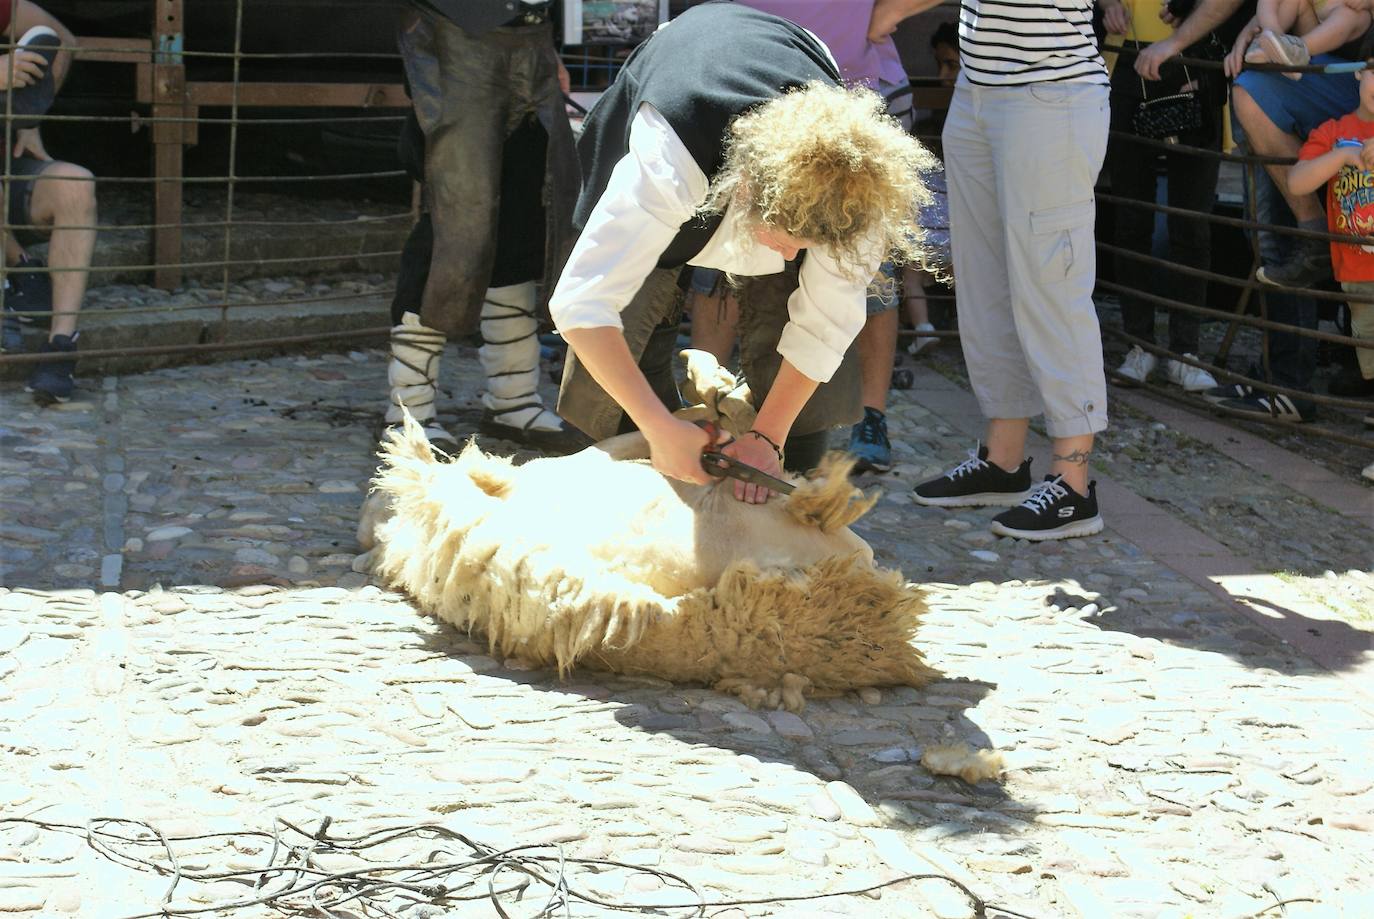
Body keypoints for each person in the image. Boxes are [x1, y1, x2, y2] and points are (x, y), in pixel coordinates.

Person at [549, 2, 937, 504]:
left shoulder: (855, 187)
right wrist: (658, 425)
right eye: (782, 235)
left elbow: (826, 324)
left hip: (782, 78)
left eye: (806, 245)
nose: (791, 251)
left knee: (796, 378)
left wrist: (768, 437)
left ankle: (783, 460)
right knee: (624, 365)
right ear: (746, 188)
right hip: (684, 97)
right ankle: (634, 477)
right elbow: (582, 305)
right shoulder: (668, 159)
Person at [911, 0, 1111, 541]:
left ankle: (1073, 486)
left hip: (1050, 91)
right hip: (980, 89)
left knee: (1052, 287)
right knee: (985, 283)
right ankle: (1003, 462)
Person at [384, 0, 581, 452]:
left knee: (523, 220)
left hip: (530, 41)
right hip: (452, 36)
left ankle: (512, 401)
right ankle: (408, 411)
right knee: (453, 220)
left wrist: (547, 51)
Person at [1102, 0, 1223, 393]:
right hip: (1124, 58)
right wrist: (1108, 5)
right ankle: (1140, 344)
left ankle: (1186, 352)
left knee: (1192, 219)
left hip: (1196, 60)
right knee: (1130, 215)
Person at [1, 1, 94, 406]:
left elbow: (63, 41)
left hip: (7, 173)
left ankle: (60, 345)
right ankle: (17, 267)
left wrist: (30, 118)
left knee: (77, 184)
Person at [1284, 67, 1374, 417]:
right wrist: (1339, 156)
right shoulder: (1335, 132)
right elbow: (1297, 182)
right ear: (1359, 73)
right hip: (1358, 276)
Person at [1241, 0, 1369, 76]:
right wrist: (1271, 31)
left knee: (1349, 14)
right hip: (1314, 32)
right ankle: (1276, 44)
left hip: (1353, 36)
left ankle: (1298, 50)